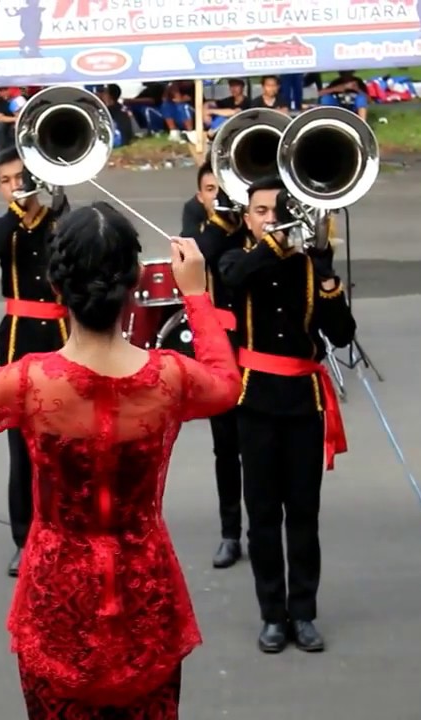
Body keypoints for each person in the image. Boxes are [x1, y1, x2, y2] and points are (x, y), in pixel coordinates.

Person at [0, 204, 241, 718]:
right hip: (145, 594)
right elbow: (228, 385)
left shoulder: (30, 380)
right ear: (135, 283)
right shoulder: (169, 377)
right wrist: (196, 296)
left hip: (58, 598)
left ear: (57, 288)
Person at [218, 176, 356, 654]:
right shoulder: (239, 258)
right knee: (262, 515)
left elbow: (341, 333)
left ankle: (303, 612)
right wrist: (273, 245)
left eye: (278, 210)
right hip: (254, 401)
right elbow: (231, 282)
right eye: (260, 211)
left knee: (303, 513)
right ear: (248, 217)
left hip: (302, 401)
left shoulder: (308, 268)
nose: (270, 218)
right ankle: (272, 614)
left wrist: (328, 275)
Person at [0, 145, 71, 577]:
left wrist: (48, 197)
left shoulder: (59, 220)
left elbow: (73, 247)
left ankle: (68, 530)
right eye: (6, 180)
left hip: (59, 336)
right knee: (21, 447)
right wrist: (22, 206)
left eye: (21, 177)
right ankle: (26, 536)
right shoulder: (5, 227)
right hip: (17, 339)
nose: (15, 186)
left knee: (65, 441)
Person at [190, 162, 247, 569]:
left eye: (223, 187)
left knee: (261, 446)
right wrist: (224, 213)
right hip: (222, 348)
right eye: (211, 188)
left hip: (261, 348)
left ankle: (262, 524)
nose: (217, 193)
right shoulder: (205, 227)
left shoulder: (258, 222)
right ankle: (231, 532)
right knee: (225, 447)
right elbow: (205, 254)